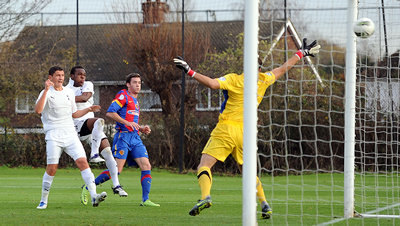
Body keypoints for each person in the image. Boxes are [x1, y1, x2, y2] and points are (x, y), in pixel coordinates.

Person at [174, 38, 321, 218]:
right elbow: (283, 68)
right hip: (246, 133)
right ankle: (264, 203)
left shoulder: (234, 79)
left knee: (204, 165)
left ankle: (205, 197)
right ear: (260, 68)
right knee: (247, 172)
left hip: (226, 129)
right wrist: (301, 53)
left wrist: (189, 71)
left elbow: (212, 84)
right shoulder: (263, 80)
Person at [35, 66, 107, 209]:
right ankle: (43, 200)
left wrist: (88, 109)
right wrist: (46, 91)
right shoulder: (46, 93)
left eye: (62, 75)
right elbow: (38, 110)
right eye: (57, 75)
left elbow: (73, 114)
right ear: (50, 78)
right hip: (54, 135)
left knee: (83, 162)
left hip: (70, 134)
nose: (60, 78)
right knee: (52, 168)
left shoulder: (68, 92)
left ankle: (94, 196)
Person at [93, 73, 160, 207]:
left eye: (139, 83)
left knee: (146, 166)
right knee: (116, 170)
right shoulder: (123, 96)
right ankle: (89, 186)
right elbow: (110, 112)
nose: (137, 85)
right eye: (134, 82)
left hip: (135, 137)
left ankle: (145, 200)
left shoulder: (135, 101)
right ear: (128, 85)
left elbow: (131, 121)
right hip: (123, 137)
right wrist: (126, 123)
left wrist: (141, 128)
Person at [65, 66, 128, 206]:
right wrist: (64, 96)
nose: (82, 77)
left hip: (93, 129)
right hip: (78, 125)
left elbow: (85, 97)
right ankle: (93, 154)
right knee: (98, 121)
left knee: (108, 153)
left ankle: (116, 186)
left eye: (84, 75)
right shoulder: (66, 88)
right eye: (79, 75)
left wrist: (66, 98)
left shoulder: (87, 85)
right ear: (71, 76)